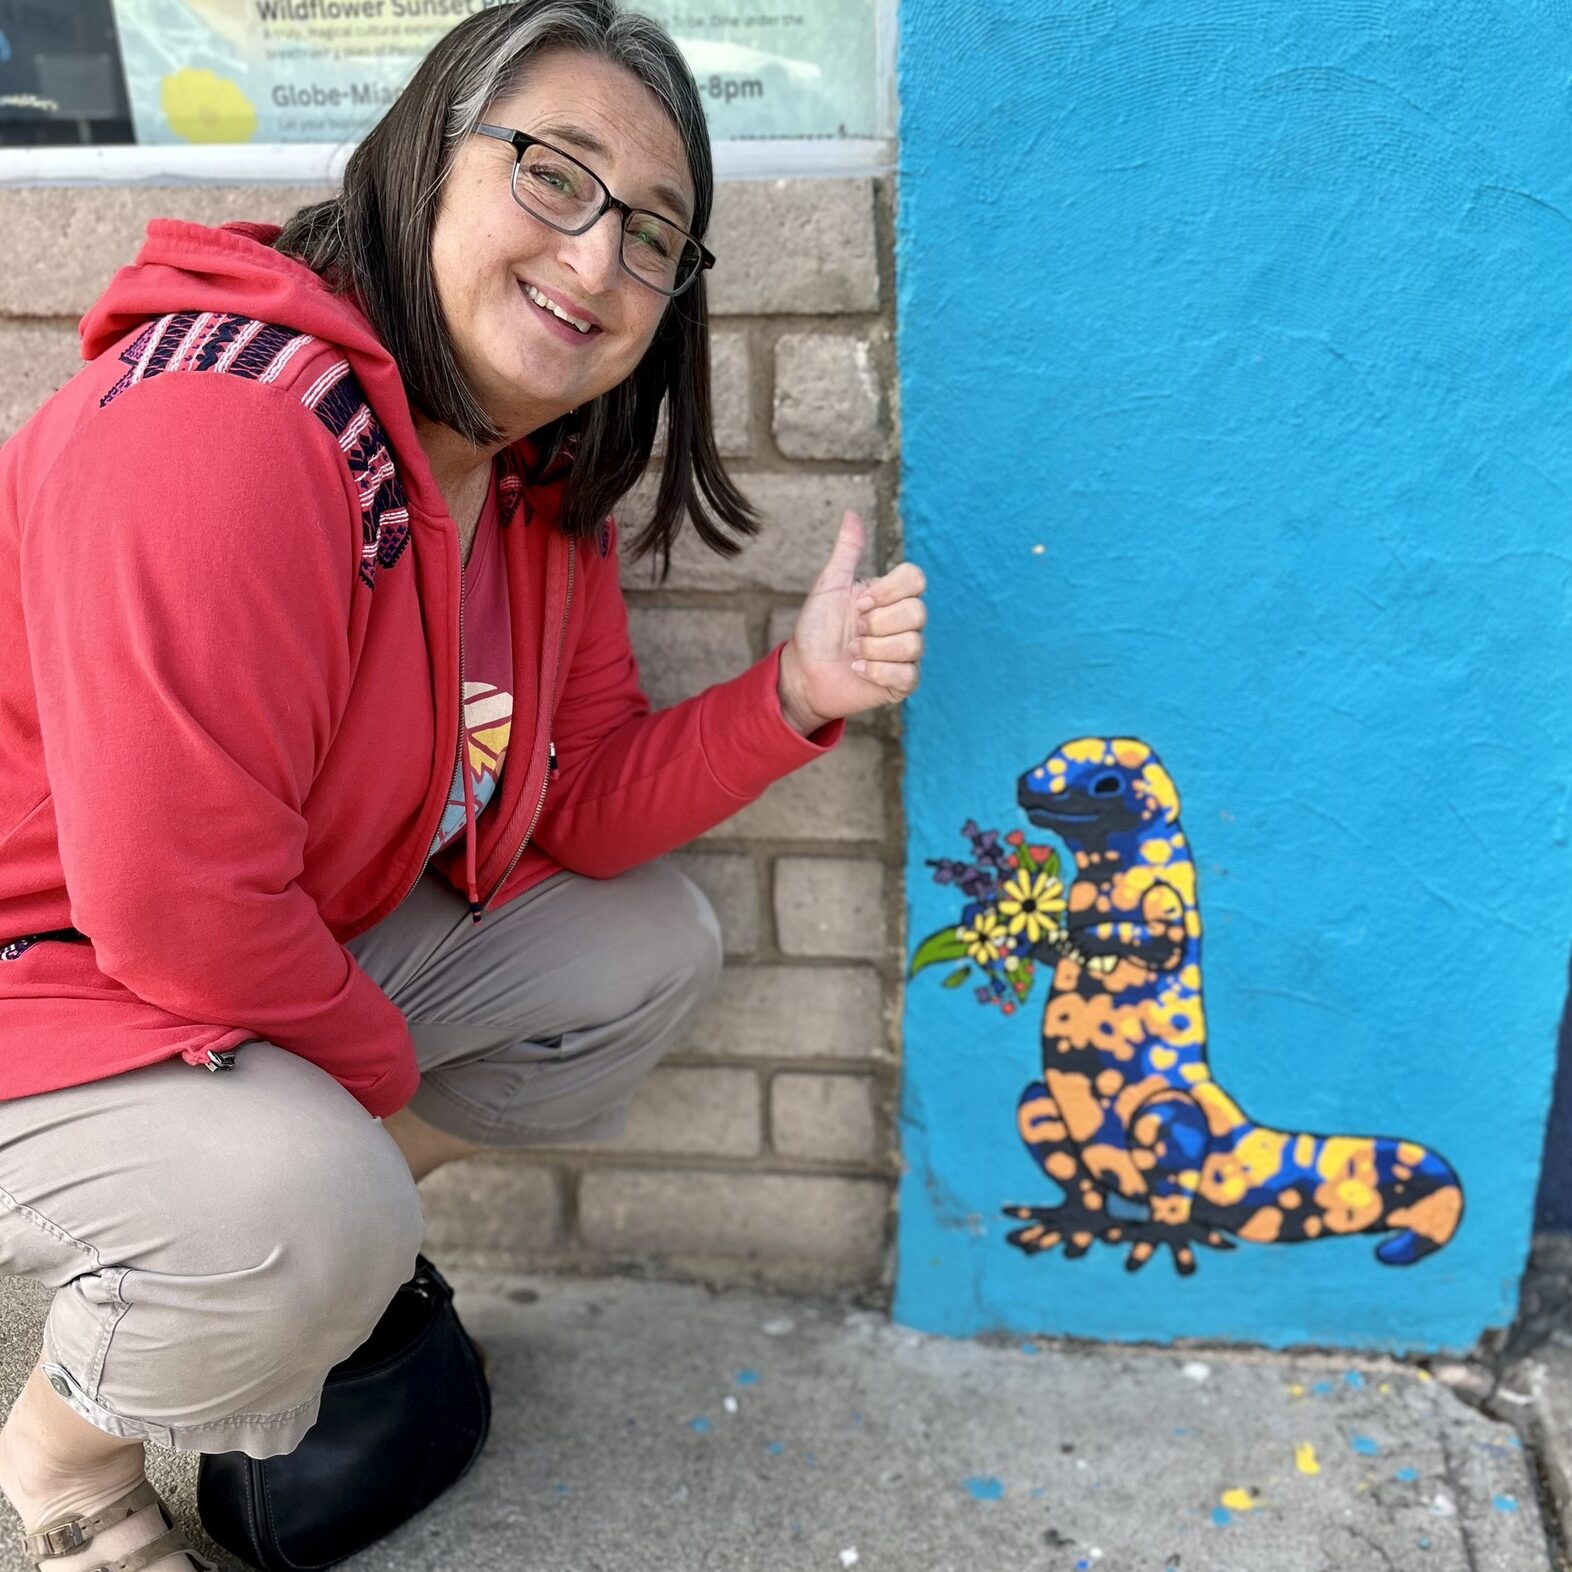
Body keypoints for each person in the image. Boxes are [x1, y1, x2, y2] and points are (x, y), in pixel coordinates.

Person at [0, 4, 926, 1568]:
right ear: (428, 157)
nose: (594, 260)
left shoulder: (527, 483)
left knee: (643, 945)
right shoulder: (225, 431)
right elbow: (175, 910)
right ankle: (72, 1454)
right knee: (321, 1206)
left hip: (230, 953)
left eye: (653, 237)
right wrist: (356, 1102)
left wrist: (791, 695)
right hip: (51, 981)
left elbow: (576, 807)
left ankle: (249, 1248)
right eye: (554, 176)